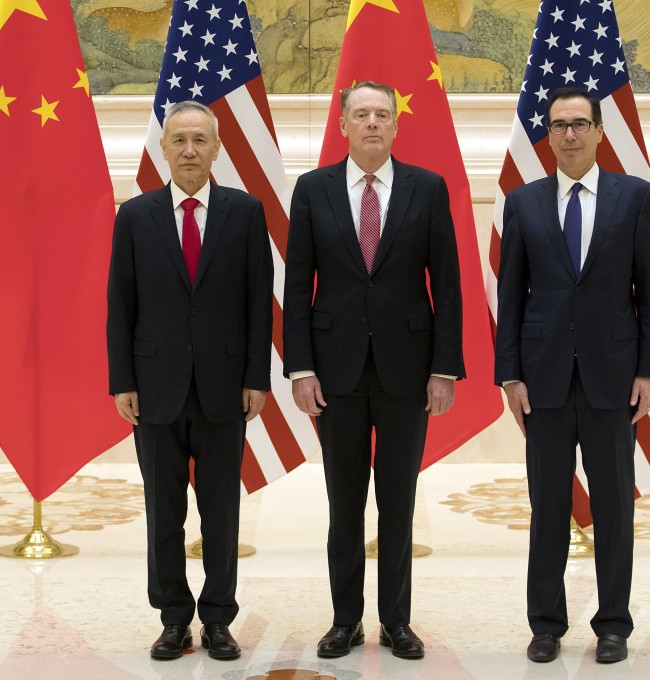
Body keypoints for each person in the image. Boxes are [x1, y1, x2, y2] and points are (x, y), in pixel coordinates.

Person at [282, 81, 464, 660]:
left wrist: (445, 369)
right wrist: (300, 368)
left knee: (398, 501)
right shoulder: (312, 190)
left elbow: (449, 286)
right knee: (344, 501)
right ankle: (345, 621)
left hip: (408, 371)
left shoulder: (427, 189)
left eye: (382, 114)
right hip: (334, 372)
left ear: (396, 124)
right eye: (361, 114)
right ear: (342, 125)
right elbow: (298, 283)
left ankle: (397, 622)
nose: (372, 123)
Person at [494, 87, 650, 665]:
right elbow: (511, 296)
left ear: (597, 132)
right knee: (547, 505)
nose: (569, 135)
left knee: (615, 504)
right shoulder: (523, 203)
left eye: (579, 125)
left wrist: (648, 370)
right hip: (541, 380)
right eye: (559, 125)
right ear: (547, 133)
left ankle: (613, 624)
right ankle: (545, 624)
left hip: (613, 378)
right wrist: (509, 375)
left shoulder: (636, 198)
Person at [107, 100, 273, 661]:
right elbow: (120, 305)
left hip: (226, 387)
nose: (189, 150)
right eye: (178, 140)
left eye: (200, 140)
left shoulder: (245, 213)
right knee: (164, 510)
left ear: (217, 148)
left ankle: (220, 619)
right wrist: (121, 379)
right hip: (153, 389)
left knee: (221, 508)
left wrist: (257, 376)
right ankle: (173, 618)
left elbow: (258, 304)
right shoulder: (134, 216)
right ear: (163, 149)